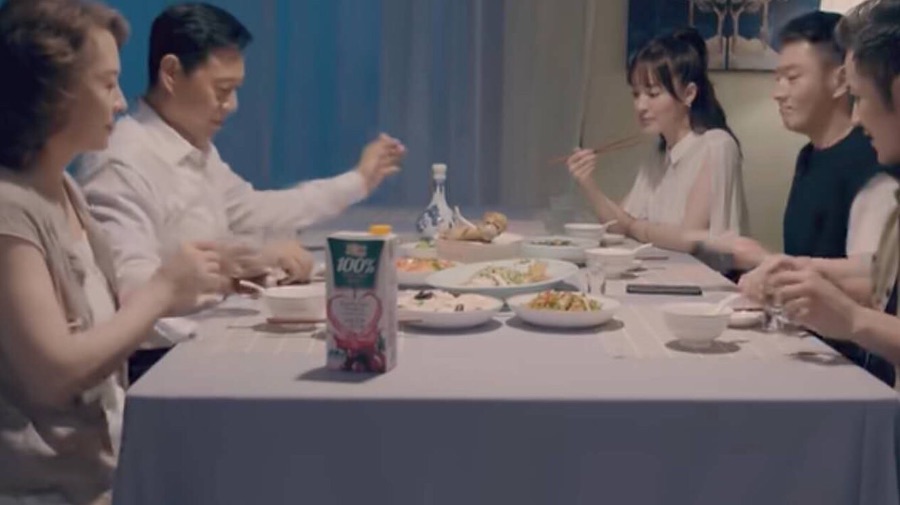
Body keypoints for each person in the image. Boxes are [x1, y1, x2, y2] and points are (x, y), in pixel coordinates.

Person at [75, 2, 406, 382]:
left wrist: (358, 181)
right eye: (222, 90)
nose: (231, 106)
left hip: (200, 339)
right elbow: (129, 292)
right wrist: (235, 269)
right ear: (171, 73)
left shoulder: (193, 149)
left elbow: (256, 210)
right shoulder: (123, 162)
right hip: (156, 363)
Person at [0, 1, 228, 502]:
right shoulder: (10, 211)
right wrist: (163, 291)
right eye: (107, 85)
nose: (122, 103)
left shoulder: (65, 191)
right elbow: (54, 376)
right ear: (53, 92)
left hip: (99, 479)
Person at [764, 0, 900, 386]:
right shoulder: (811, 158)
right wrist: (803, 270)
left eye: (861, 98)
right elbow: (881, 275)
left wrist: (851, 319)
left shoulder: (876, 173)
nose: (857, 116)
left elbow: (872, 297)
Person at [567, 28, 749, 249]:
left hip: (703, 271)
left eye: (653, 94)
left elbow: (690, 239)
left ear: (689, 94)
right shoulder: (659, 153)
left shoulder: (716, 145)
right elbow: (618, 225)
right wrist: (588, 183)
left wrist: (636, 227)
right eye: (636, 94)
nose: (640, 106)